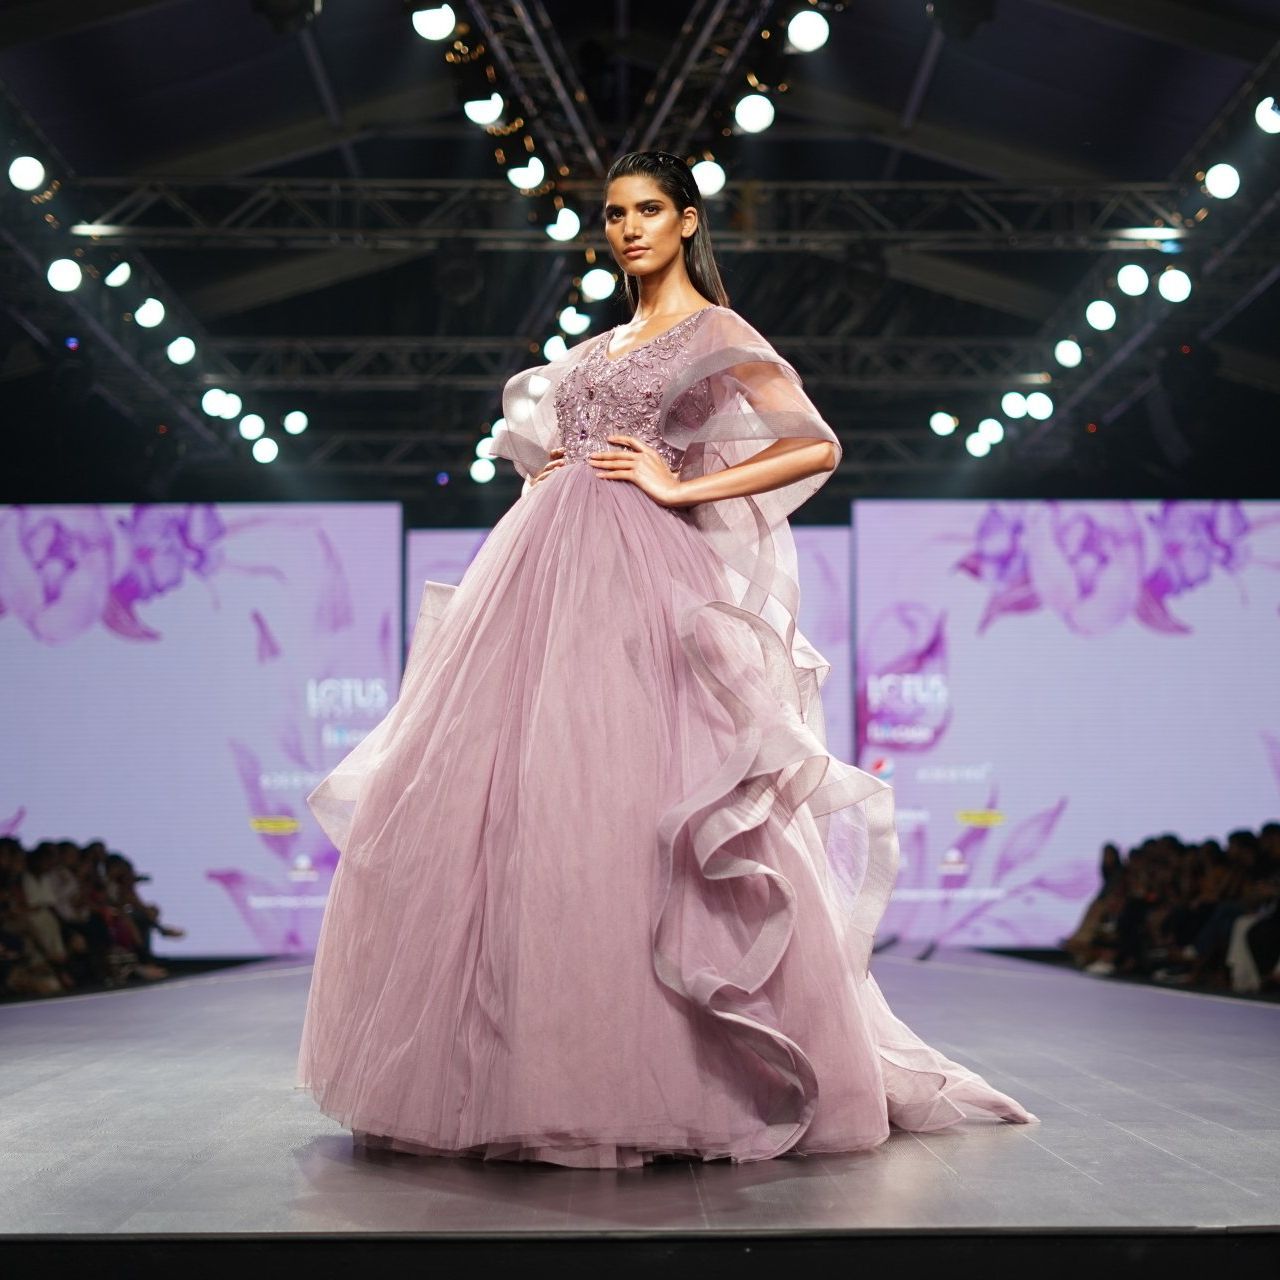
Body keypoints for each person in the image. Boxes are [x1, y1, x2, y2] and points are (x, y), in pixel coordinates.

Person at [296, 150, 1037, 1169]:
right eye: (612, 213)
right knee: (530, 805)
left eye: (648, 209)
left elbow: (811, 444)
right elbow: (568, 438)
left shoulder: (715, 329)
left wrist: (677, 486)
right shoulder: (597, 345)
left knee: (657, 798)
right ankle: (515, 1071)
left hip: (643, 572)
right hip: (542, 572)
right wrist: (557, 466)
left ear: (687, 220)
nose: (628, 226)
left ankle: (685, 1077)